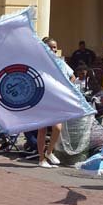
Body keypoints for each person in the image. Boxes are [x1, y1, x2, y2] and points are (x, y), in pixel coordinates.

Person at [37, 37, 64, 168]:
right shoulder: (38, 62)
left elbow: (70, 76)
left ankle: (49, 152)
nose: (53, 50)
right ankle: (41, 159)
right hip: (42, 98)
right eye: (51, 47)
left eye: (55, 47)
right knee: (42, 129)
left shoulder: (60, 62)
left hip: (55, 99)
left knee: (58, 128)